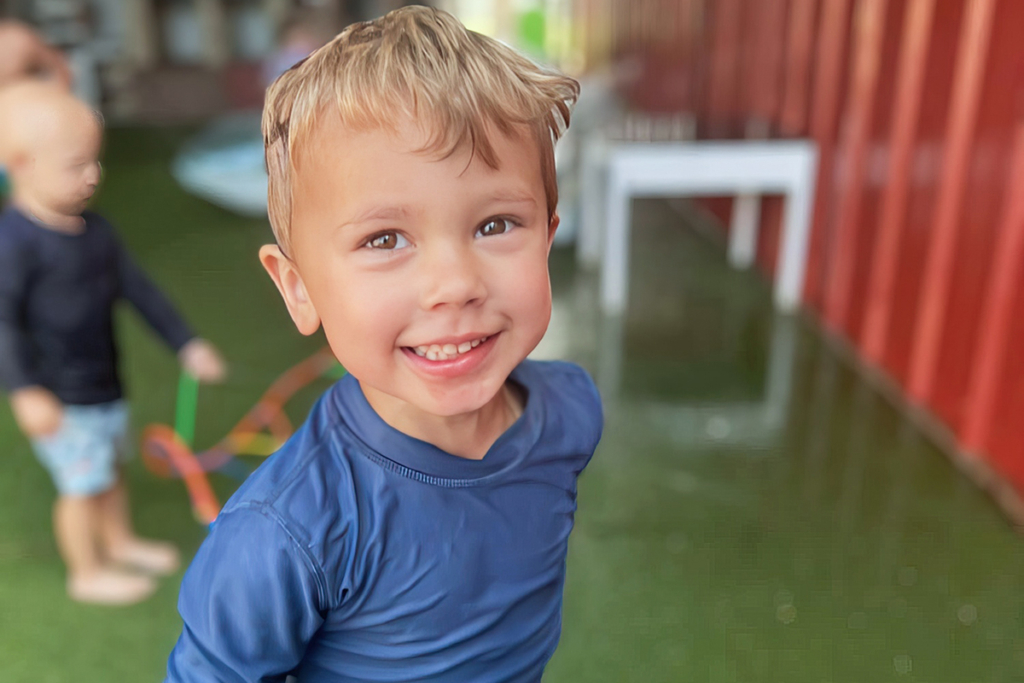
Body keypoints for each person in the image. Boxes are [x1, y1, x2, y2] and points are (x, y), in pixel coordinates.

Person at [165, 6, 601, 681]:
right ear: (298, 286)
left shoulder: (572, 412)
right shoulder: (288, 530)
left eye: (495, 223)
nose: (454, 285)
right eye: (385, 239)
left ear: (547, 235)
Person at [0, 82, 227, 605]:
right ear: (21, 164)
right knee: (80, 487)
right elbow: (4, 325)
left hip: (104, 385)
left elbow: (140, 291)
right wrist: (25, 391)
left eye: (95, 161)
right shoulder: (15, 245)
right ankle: (87, 570)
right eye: (76, 165)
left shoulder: (96, 233)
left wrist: (187, 342)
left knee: (109, 471)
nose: (93, 175)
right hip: (58, 398)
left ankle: (119, 541)